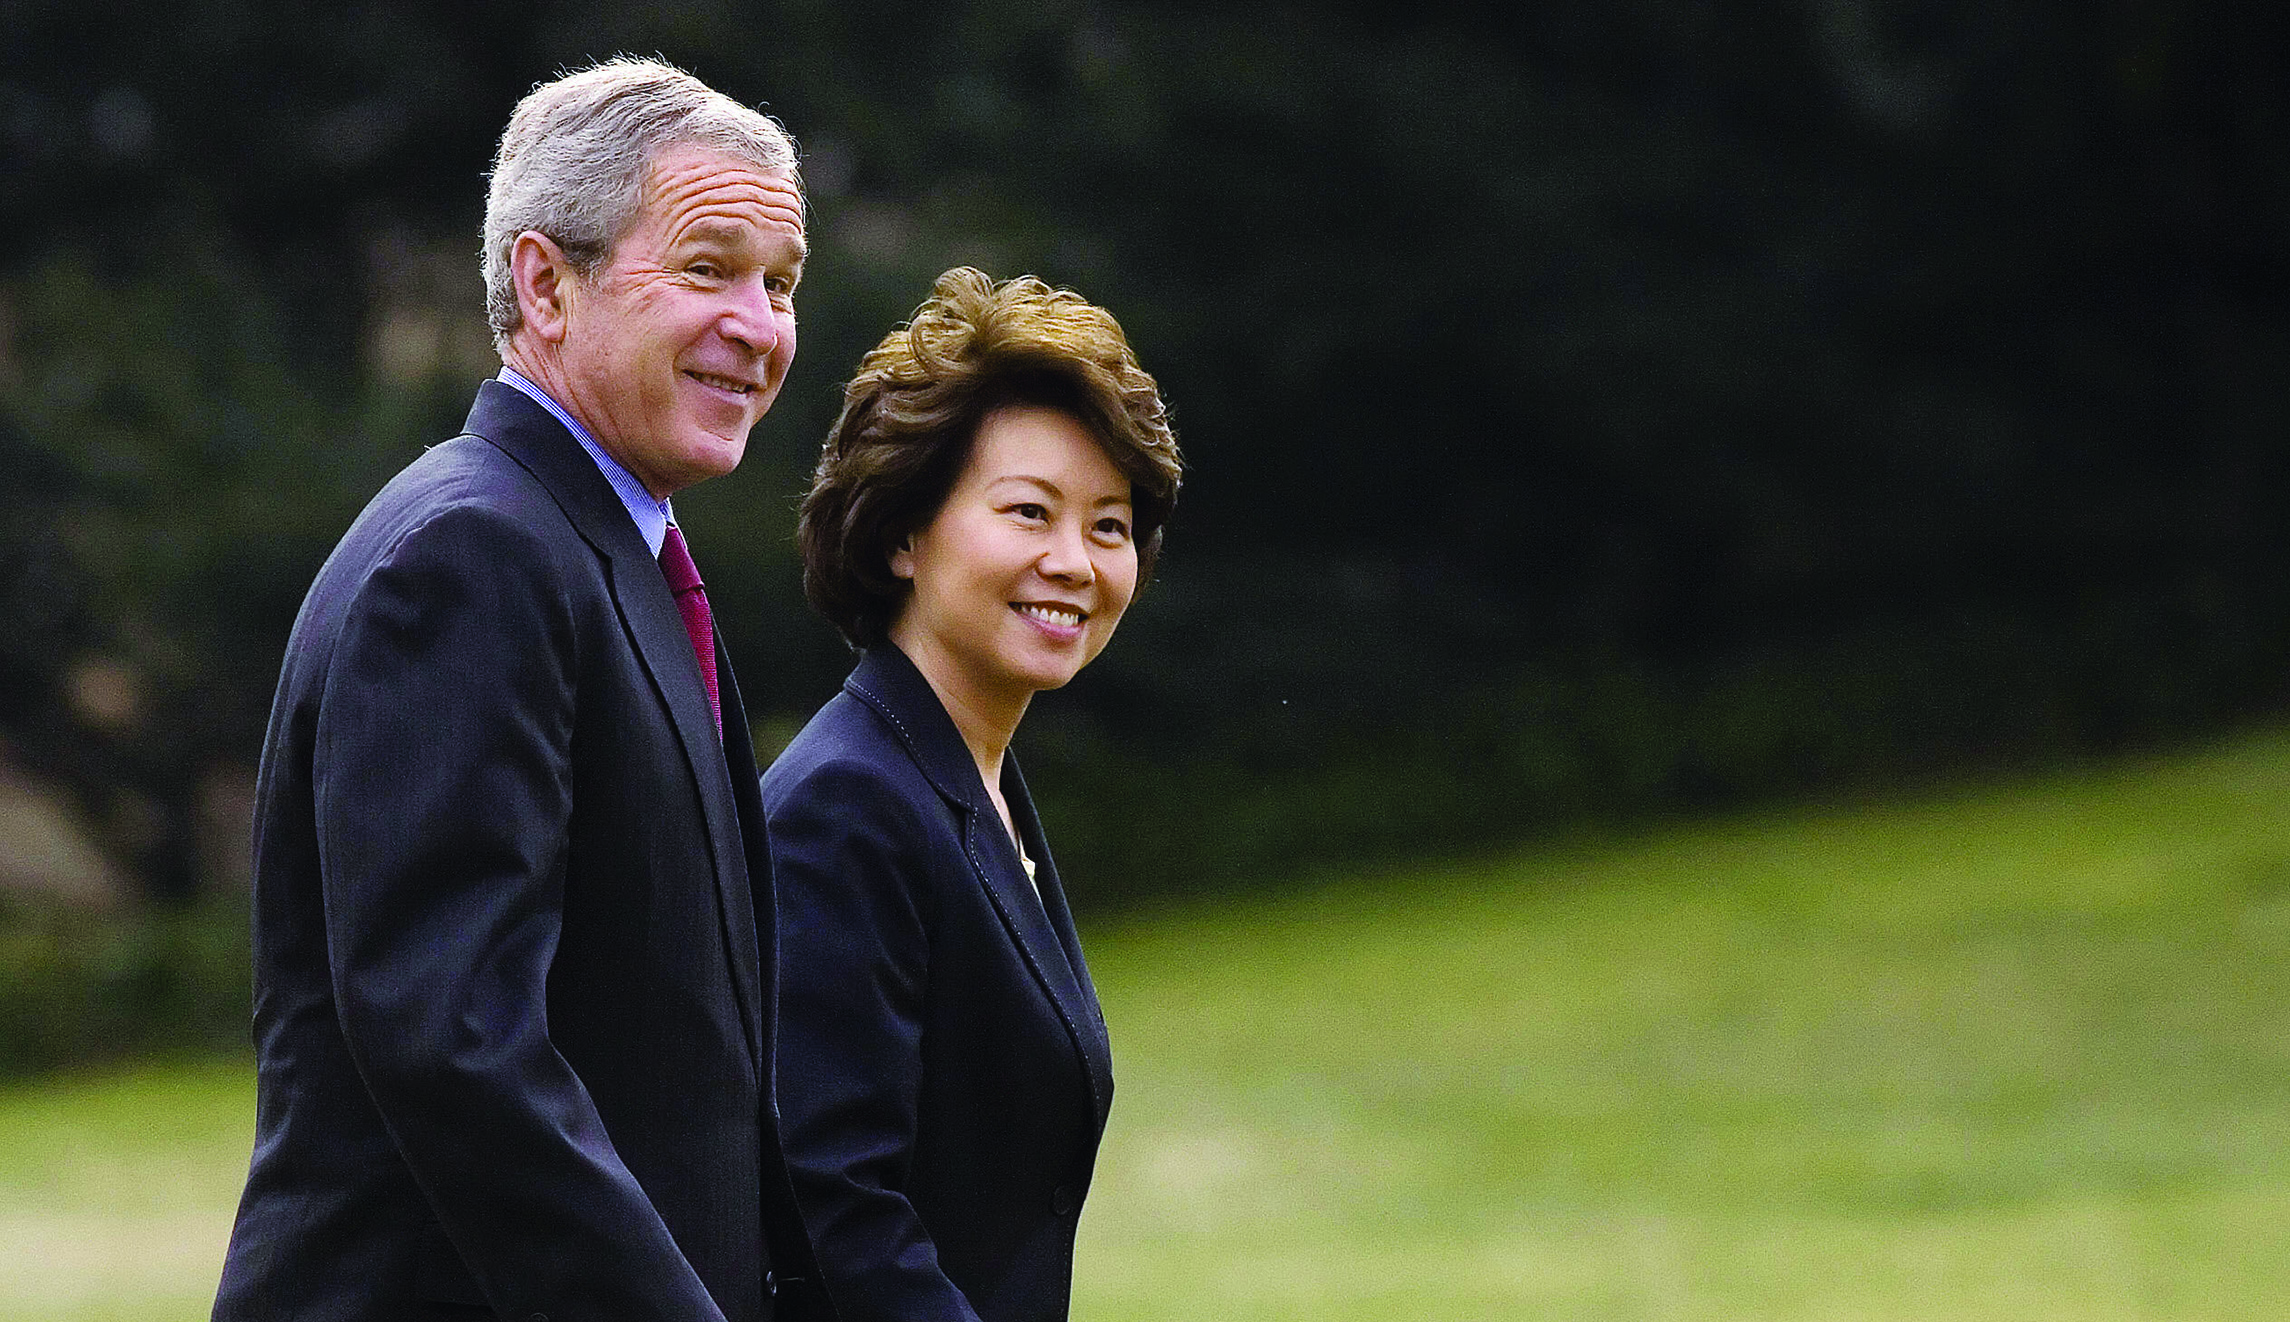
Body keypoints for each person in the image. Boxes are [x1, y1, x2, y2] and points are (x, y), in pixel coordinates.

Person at [213, 58, 819, 1322]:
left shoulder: (608, 553)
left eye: (781, 282)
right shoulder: (469, 557)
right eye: (708, 267)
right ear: (546, 283)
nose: (760, 325)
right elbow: (458, 1046)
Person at [763, 267, 1183, 1322]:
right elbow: (835, 1210)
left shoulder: (969, 778)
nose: (1073, 562)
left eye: (1109, 524)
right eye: (1028, 511)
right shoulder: (845, 803)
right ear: (904, 533)